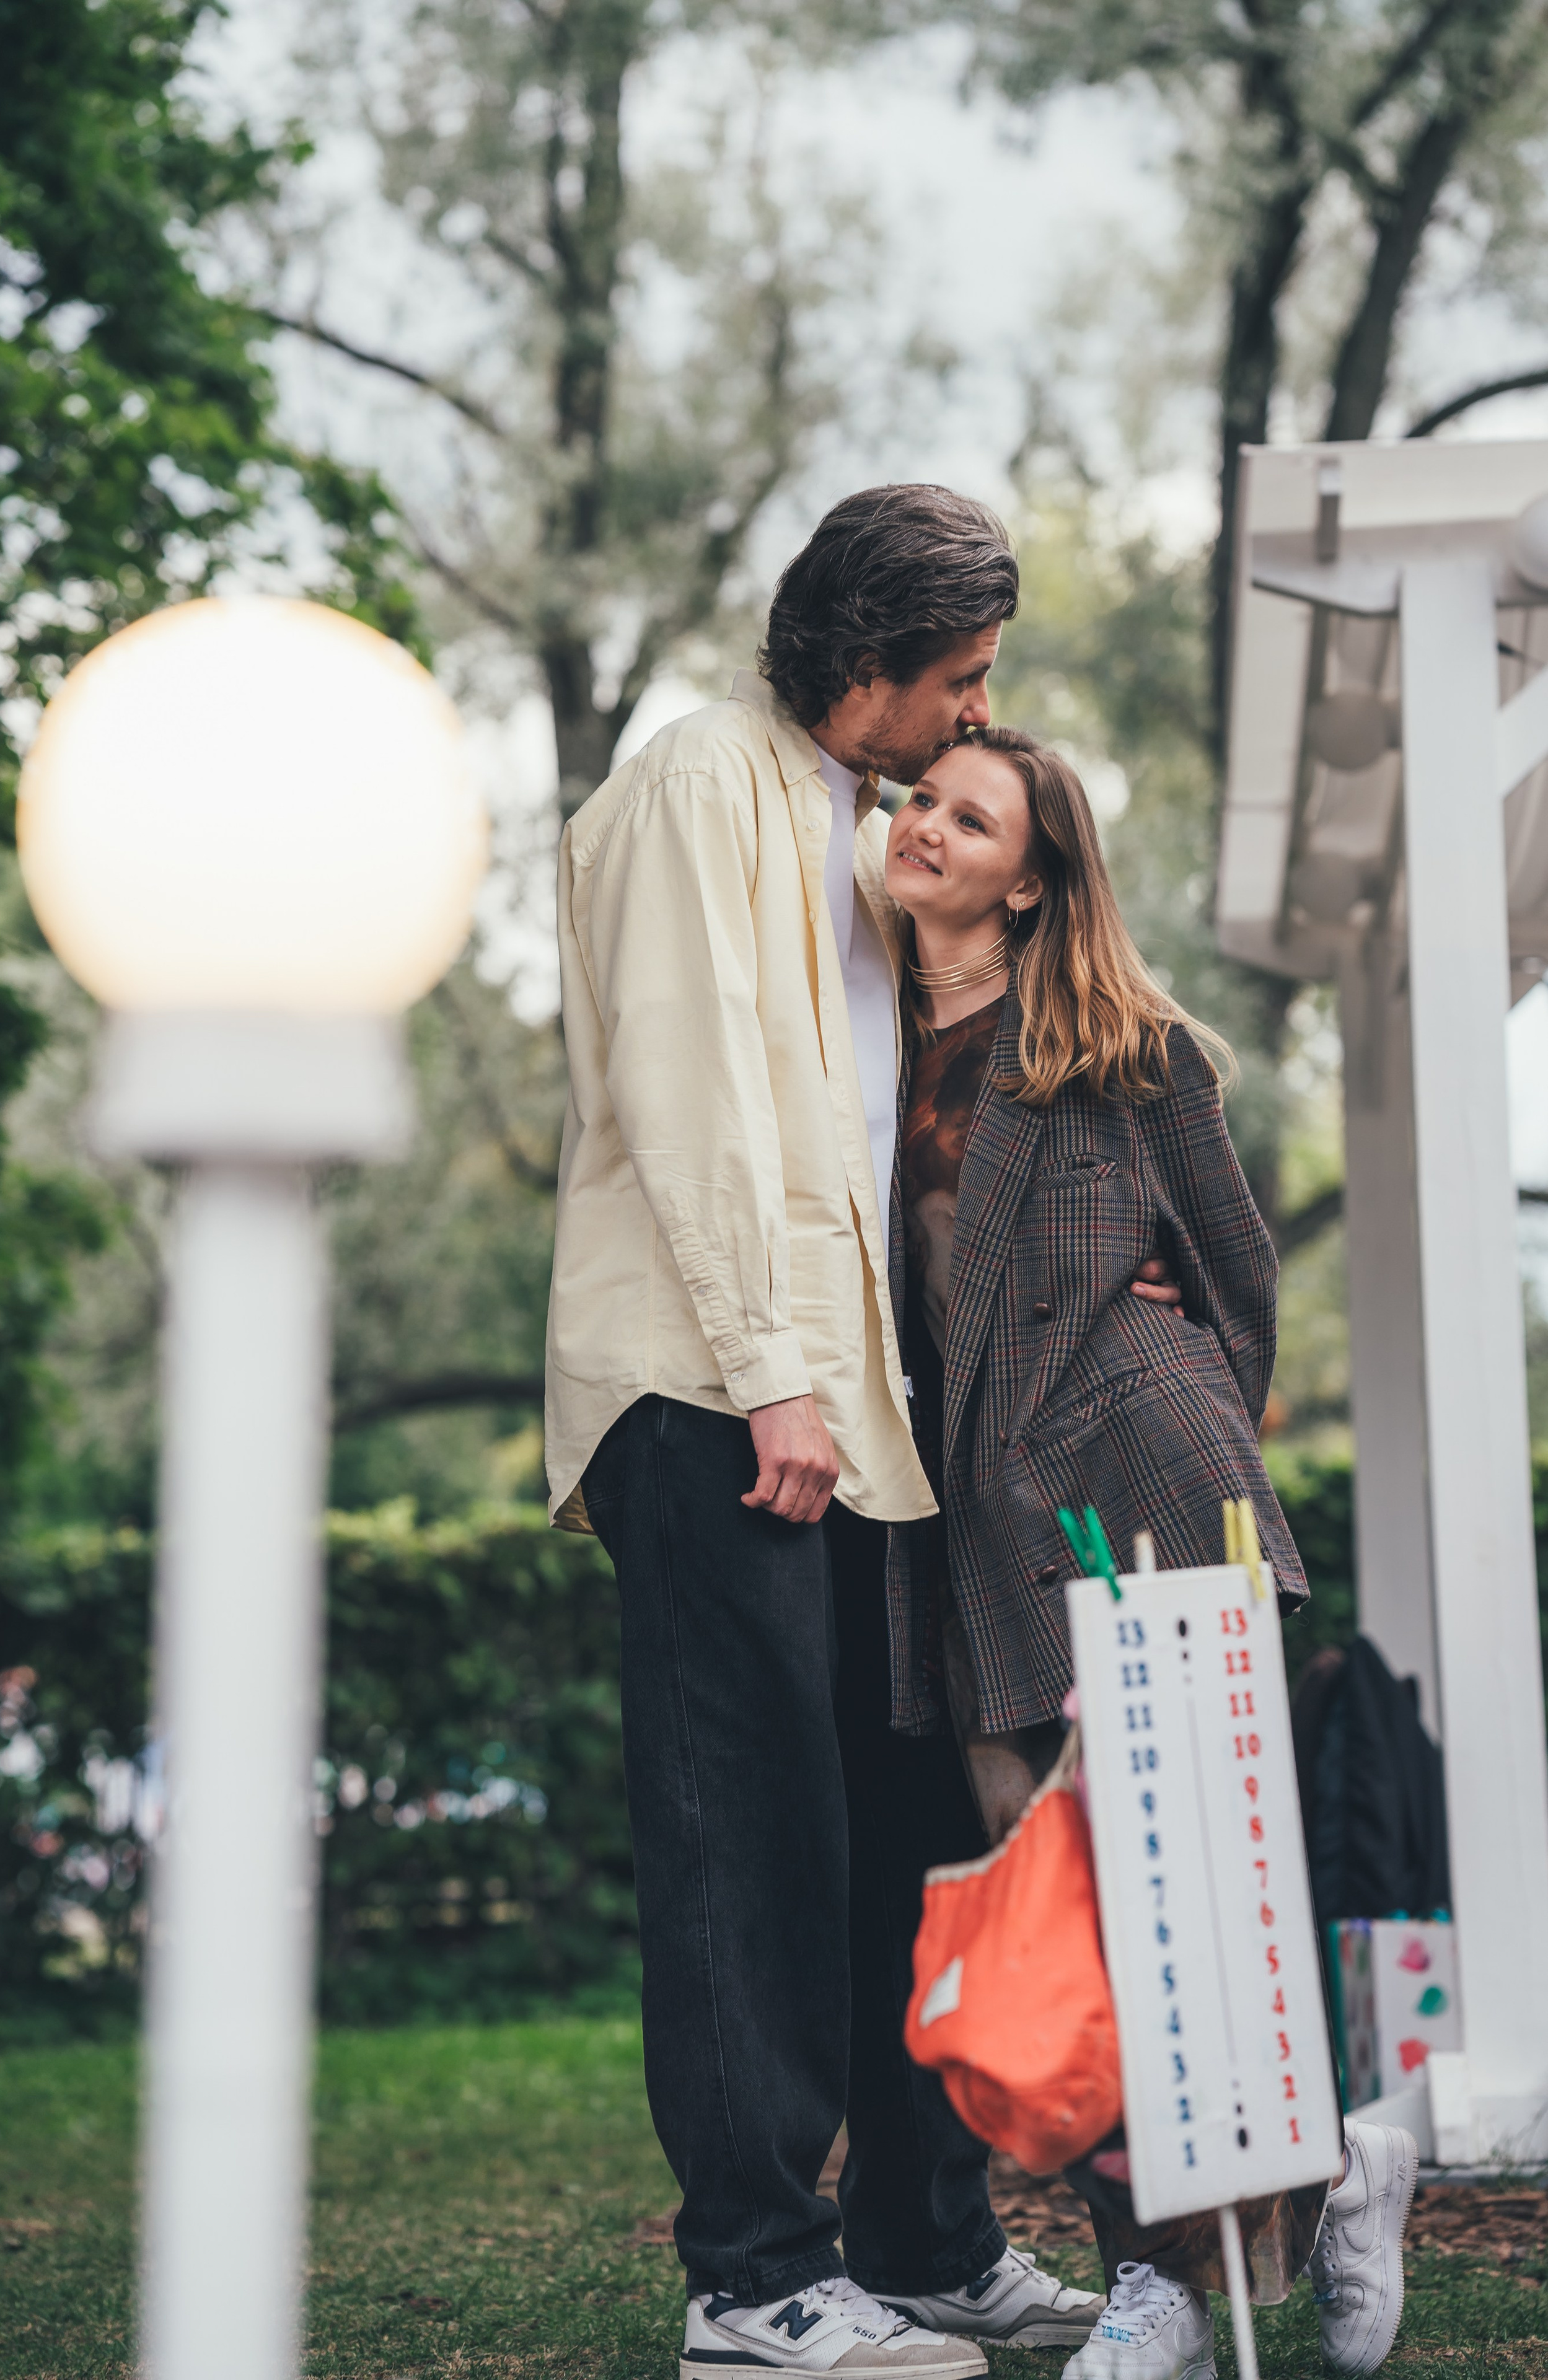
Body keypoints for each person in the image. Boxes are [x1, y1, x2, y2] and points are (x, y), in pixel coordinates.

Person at [547, 488, 1181, 2380]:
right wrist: (771, 1372)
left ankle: (918, 2238)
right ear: (868, 662)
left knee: (901, 1829)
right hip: (720, 1389)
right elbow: (694, 1097)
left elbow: (940, 1102)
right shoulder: (692, 789)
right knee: (744, 1828)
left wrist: (1116, 1271)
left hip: (862, 1408)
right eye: (961, 681)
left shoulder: (867, 833)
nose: (975, 715)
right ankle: (751, 2275)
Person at [877, 724, 1417, 2380]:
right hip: (981, 1536)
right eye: (922, 800)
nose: (929, 828)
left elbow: (1237, 1274)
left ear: (1032, 874)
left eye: (972, 817)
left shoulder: (1124, 1047)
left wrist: (1154, 1391)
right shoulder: (854, 1040)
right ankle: (1328, 2171)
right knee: (1063, 1915)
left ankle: (1173, 2282)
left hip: (1147, 1497)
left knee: (1200, 1888)